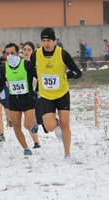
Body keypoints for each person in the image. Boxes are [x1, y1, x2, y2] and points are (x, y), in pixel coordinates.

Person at [28, 27, 82, 161]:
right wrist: (32, 89)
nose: (46, 44)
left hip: (62, 93)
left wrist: (70, 75)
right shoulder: (36, 54)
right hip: (46, 95)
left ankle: (67, 154)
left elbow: (77, 72)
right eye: (44, 40)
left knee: (66, 124)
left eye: (49, 40)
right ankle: (56, 124)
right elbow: (30, 71)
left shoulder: (62, 54)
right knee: (49, 127)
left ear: (54, 40)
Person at [22, 42, 41, 149]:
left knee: (41, 119)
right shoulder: (20, 64)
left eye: (29, 49)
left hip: (38, 94)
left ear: (33, 51)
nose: (26, 51)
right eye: (25, 49)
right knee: (29, 119)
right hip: (26, 96)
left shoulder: (37, 64)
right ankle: (36, 142)